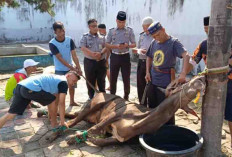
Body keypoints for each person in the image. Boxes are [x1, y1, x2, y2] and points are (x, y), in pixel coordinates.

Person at [189, 16, 232, 147]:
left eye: (210, 30)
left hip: (230, 84)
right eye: (206, 30)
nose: (208, 33)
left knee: (230, 116)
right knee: (208, 110)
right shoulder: (204, 44)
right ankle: (208, 137)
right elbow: (193, 60)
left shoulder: (229, 43)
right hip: (211, 84)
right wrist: (184, 73)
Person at [145, 21, 190, 125]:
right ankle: (154, 129)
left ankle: (168, 131)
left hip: (166, 83)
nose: (157, 38)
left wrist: (183, 73)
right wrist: (147, 72)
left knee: (167, 110)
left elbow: (186, 55)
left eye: (158, 35)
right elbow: (149, 56)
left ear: (163, 30)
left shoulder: (173, 43)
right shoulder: (154, 42)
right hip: (153, 79)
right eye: (154, 36)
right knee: (152, 107)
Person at [0, 71, 80, 129]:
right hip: (30, 88)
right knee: (52, 100)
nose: (74, 83)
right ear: (68, 75)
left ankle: (51, 119)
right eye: (74, 81)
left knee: (11, 114)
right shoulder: (63, 82)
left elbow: (55, 101)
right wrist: (62, 122)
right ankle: (54, 124)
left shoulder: (56, 79)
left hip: (21, 86)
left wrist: (51, 116)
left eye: (75, 82)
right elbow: (61, 103)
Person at [49, 21, 82, 106]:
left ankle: (72, 101)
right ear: (55, 32)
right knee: (60, 87)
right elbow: (59, 58)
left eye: (63, 30)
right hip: (59, 69)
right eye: (59, 32)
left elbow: (74, 55)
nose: (62, 33)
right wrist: (71, 67)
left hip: (70, 68)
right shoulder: (52, 43)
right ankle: (59, 104)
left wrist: (78, 67)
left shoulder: (69, 40)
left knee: (72, 85)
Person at [106, 11, 136, 100]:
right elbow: (107, 44)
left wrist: (128, 46)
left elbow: (134, 44)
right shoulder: (112, 31)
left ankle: (126, 96)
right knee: (113, 77)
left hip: (125, 56)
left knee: (126, 77)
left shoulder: (129, 31)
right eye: (119, 22)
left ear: (125, 21)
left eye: (123, 22)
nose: (121, 24)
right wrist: (116, 46)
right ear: (116, 20)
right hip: (115, 56)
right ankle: (112, 95)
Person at [80, 19, 108, 100]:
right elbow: (83, 47)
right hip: (89, 62)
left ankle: (102, 96)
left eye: (96, 26)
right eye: (93, 26)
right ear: (89, 27)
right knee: (90, 80)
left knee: (101, 80)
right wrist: (92, 54)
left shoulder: (102, 37)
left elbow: (106, 46)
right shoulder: (85, 37)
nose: (95, 28)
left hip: (101, 62)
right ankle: (91, 97)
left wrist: (101, 53)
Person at [132, 17, 154, 106]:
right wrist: (138, 50)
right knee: (140, 83)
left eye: (146, 27)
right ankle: (142, 103)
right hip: (141, 62)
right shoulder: (142, 35)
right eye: (143, 27)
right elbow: (137, 48)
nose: (144, 29)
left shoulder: (155, 36)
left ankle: (151, 104)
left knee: (151, 85)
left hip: (152, 64)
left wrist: (148, 52)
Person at [98, 23, 111, 90]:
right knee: (106, 72)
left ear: (103, 29)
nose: (98, 31)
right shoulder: (101, 36)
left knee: (107, 72)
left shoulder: (107, 37)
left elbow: (108, 49)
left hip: (107, 57)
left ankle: (111, 85)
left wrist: (107, 59)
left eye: (100, 30)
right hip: (104, 57)